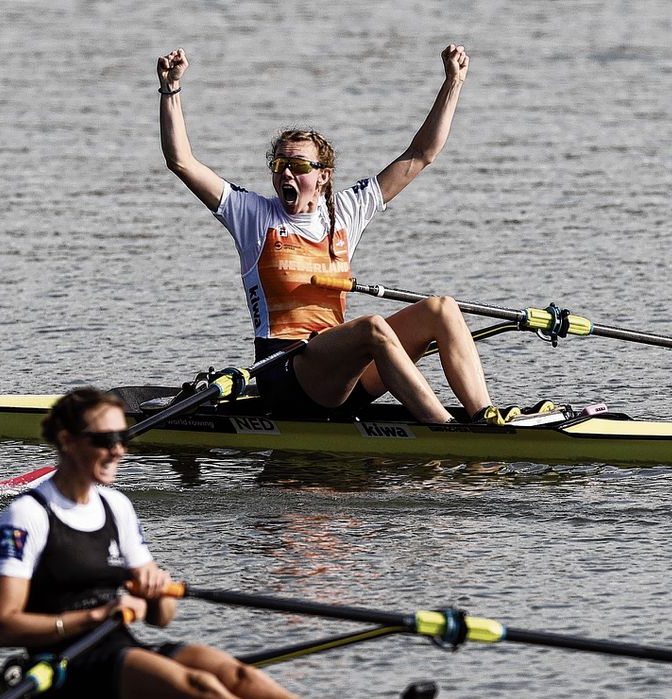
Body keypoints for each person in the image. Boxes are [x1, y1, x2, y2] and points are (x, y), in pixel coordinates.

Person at [157, 44, 527, 426]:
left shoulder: (346, 211)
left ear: (323, 176)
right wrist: (171, 90)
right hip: (286, 374)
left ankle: (485, 416)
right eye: (280, 163)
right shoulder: (252, 215)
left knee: (442, 308)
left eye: (298, 165)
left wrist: (454, 82)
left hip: (342, 373)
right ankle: (446, 431)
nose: (285, 173)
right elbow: (181, 161)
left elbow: (420, 154)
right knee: (372, 327)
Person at [0, 387, 333, 699]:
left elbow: (161, 617)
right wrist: (97, 616)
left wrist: (156, 589)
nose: (118, 451)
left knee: (240, 675)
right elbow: (4, 628)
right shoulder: (26, 517)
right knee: (202, 686)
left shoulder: (116, 506)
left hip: (121, 648)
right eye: (106, 441)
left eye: (123, 439)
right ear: (67, 441)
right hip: (64, 665)